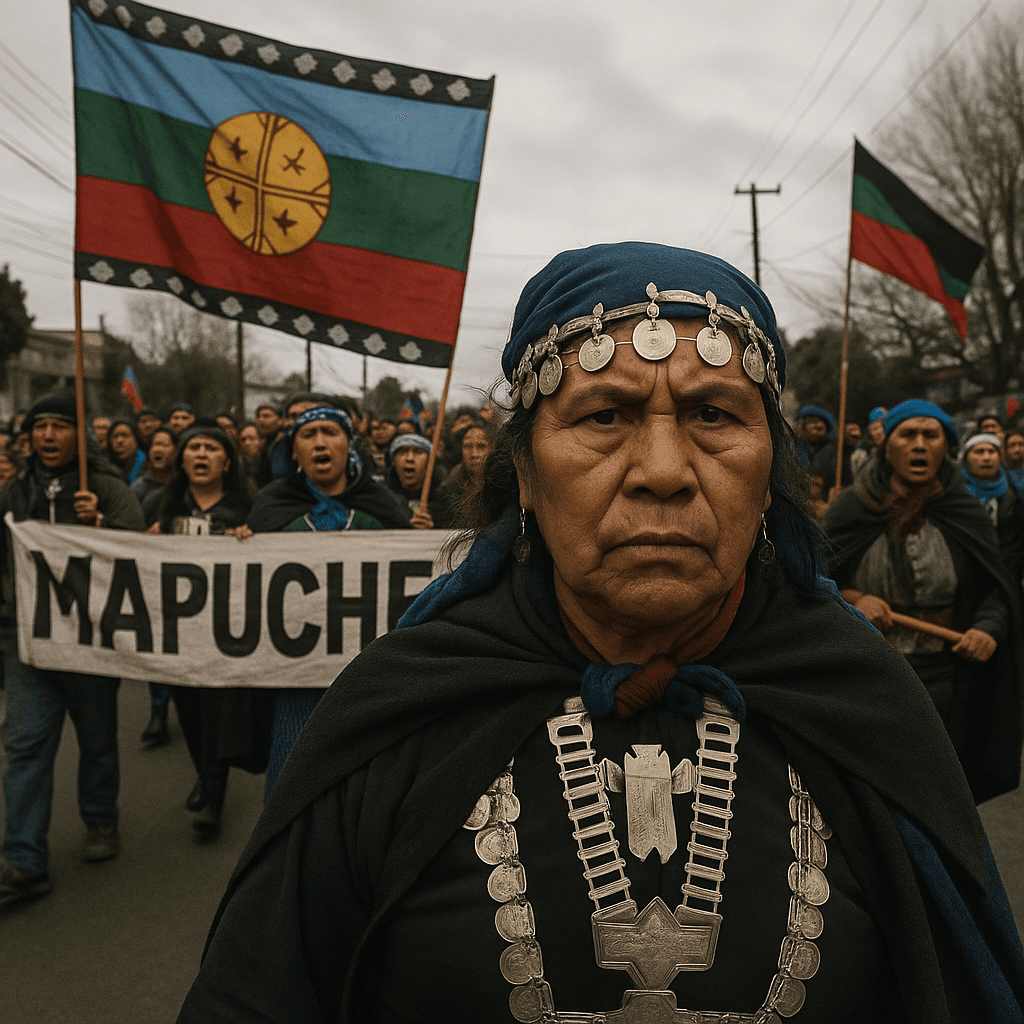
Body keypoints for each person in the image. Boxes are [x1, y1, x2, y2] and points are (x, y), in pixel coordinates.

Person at [180, 244, 1024, 1024]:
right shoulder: (398, 717)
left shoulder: (866, 704)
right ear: (525, 476)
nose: (662, 472)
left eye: (714, 416)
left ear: (770, 475)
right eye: (605, 416)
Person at [822, 400, 1023, 803]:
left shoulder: (964, 510)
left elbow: (996, 591)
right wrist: (853, 598)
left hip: (945, 676)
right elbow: (809, 581)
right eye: (907, 435)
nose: (919, 445)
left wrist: (988, 628)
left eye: (930, 436)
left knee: (939, 794)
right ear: (886, 447)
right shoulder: (853, 506)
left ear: (946, 447)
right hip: (867, 674)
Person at [0, 394, 144, 910]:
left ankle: (100, 818)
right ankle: (22, 859)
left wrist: (102, 524)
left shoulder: (106, 487)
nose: (49, 436)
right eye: (41, 427)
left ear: (79, 436)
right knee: (25, 746)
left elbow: (143, 556)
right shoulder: (13, 491)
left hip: (89, 641)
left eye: (61, 426)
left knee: (97, 738)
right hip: (29, 643)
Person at [246, 405, 411, 799]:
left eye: (330, 432)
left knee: (365, 783)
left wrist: (420, 535)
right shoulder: (271, 507)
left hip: (368, 676)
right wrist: (243, 541)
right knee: (291, 780)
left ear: (348, 444)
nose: (320, 441)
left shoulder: (385, 507)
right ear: (294, 451)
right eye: (309, 434)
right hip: (295, 679)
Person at [157, 422, 254, 836]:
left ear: (226, 461)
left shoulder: (246, 509)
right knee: (191, 716)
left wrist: (251, 538)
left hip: (225, 633)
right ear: (182, 459)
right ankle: (204, 775)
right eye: (192, 447)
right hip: (180, 636)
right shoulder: (164, 508)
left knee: (216, 717)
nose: (200, 454)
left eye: (210, 448)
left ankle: (214, 799)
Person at [132, 425, 180, 746]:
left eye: (167, 443)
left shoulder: (188, 490)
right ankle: (158, 711)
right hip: (154, 580)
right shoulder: (138, 490)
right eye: (155, 444)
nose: (159, 448)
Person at [959, 433, 1024, 582]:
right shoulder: (955, 495)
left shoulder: (1014, 492)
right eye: (979, 452)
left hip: (1007, 574)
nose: (987, 458)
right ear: (966, 458)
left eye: (992, 451)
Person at [385, 433, 448, 528]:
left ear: (429, 462)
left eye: (418, 452)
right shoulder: (382, 498)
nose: (409, 458)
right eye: (403, 452)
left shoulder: (446, 499)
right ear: (394, 461)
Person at [439, 417, 493, 516]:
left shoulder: (504, 486)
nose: (474, 454)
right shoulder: (449, 488)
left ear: (491, 449)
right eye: (467, 447)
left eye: (481, 446)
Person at [107, 417, 146, 485]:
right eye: (115, 436)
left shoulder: (148, 467)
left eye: (124, 435)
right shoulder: (105, 467)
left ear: (136, 440)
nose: (119, 440)